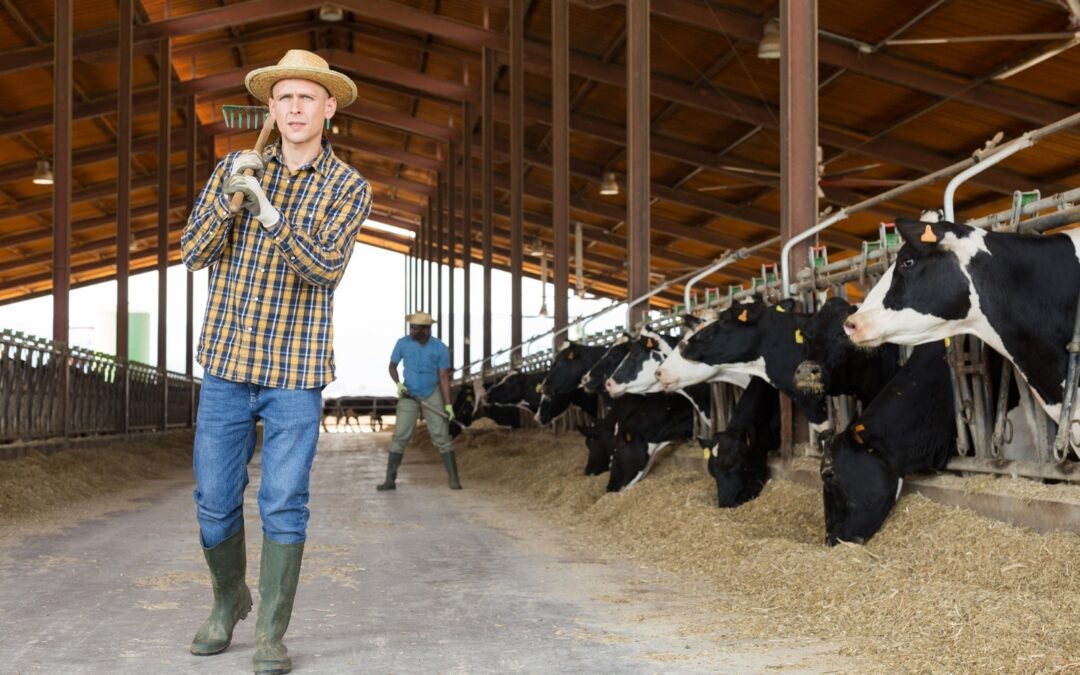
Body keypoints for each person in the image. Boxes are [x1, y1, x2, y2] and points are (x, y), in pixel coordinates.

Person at [180, 49, 371, 675]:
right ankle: (228, 599)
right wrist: (232, 198)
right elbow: (193, 254)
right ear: (271, 107)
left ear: (328, 108)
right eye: (285, 97)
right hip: (227, 363)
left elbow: (323, 270)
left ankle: (270, 633)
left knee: (283, 500)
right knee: (213, 498)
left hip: (296, 369)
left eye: (307, 98)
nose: (295, 107)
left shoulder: (349, 187)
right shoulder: (232, 170)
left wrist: (267, 211)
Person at [377, 311, 462, 491]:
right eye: (411, 327)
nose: (411, 330)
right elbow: (392, 366)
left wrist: (447, 404)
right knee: (400, 436)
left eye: (415, 328)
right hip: (409, 394)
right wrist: (399, 384)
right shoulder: (403, 343)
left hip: (432, 393)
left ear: (426, 329)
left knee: (441, 436)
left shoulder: (439, 347)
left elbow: (443, 377)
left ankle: (454, 479)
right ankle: (390, 480)